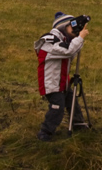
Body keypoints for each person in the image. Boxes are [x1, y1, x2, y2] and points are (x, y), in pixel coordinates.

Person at [34, 11, 90, 141]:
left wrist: (77, 40)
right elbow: (69, 52)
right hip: (52, 83)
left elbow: (71, 53)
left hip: (62, 81)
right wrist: (80, 38)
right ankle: (45, 133)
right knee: (57, 108)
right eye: (72, 26)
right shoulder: (50, 41)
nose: (76, 29)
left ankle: (78, 124)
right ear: (63, 27)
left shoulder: (64, 40)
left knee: (72, 101)